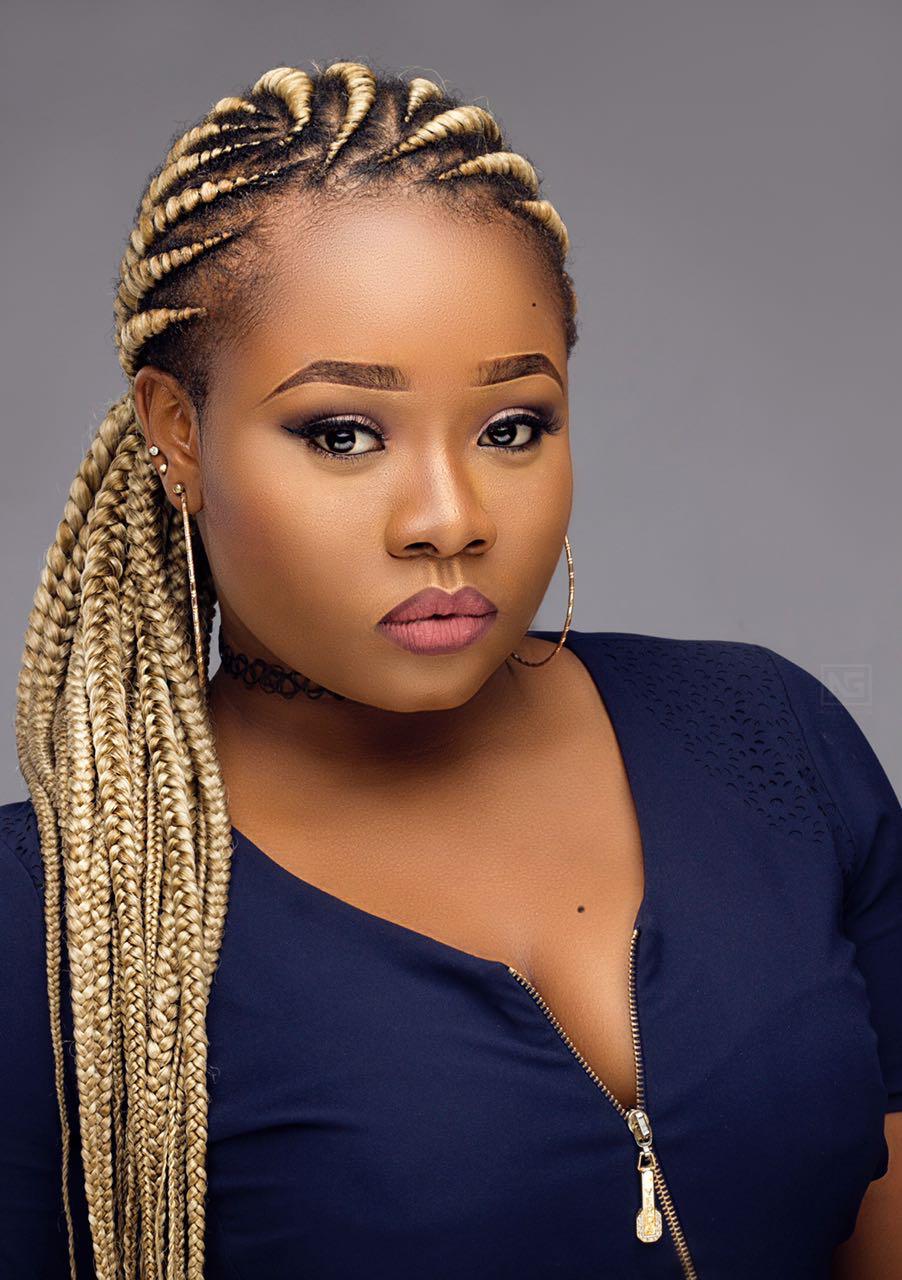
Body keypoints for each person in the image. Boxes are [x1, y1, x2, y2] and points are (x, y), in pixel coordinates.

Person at [1, 57, 899, 1280]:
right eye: (343, 433)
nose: (449, 517)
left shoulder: (769, 737)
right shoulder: (56, 925)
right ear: (178, 433)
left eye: (510, 426)